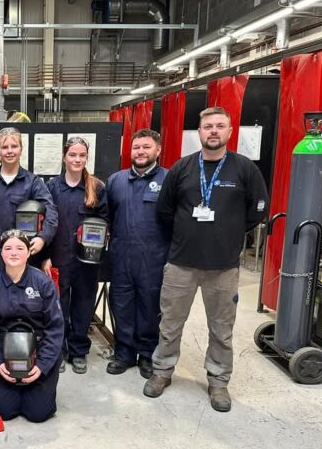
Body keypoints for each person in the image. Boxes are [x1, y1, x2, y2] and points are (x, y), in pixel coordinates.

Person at [143, 107, 269, 412]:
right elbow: (164, 210)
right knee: (170, 324)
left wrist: (230, 232)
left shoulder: (244, 169)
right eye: (207, 126)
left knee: (221, 329)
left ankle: (218, 381)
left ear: (229, 131)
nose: (213, 131)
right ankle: (162, 372)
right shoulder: (182, 168)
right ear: (199, 132)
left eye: (219, 126)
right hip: (181, 263)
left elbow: (258, 210)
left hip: (223, 266)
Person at [0, 230, 64, 423]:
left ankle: (41, 388)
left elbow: (55, 328)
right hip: (5, 355)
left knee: (38, 413)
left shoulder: (43, 283)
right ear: (1, 253)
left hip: (39, 353)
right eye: (8, 248)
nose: (13, 253)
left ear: (28, 253)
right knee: (3, 411)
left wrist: (42, 365)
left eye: (20, 248)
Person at [105, 129, 171, 379]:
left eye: (146, 147)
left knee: (149, 307)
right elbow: (106, 218)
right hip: (121, 257)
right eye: (136, 148)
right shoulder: (116, 181)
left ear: (158, 150)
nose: (141, 152)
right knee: (121, 305)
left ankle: (146, 355)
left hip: (154, 258)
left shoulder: (169, 179)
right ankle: (123, 354)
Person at [43, 137, 108, 374]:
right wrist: (45, 256)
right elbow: (46, 224)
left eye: (82, 155)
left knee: (83, 306)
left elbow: (105, 222)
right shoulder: (51, 188)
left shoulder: (97, 188)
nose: (77, 160)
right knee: (58, 306)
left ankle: (79, 350)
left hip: (87, 261)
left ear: (86, 158)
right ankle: (57, 351)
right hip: (58, 258)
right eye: (73, 155)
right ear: (64, 157)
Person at [0, 127, 58, 274]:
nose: (9, 151)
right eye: (5, 147)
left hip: (25, 256)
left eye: (14, 146)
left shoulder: (33, 183)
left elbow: (50, 212)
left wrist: (43, 238)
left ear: (21, 149)